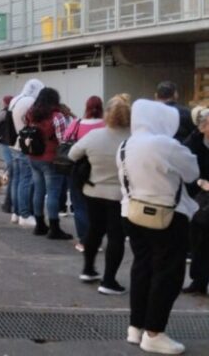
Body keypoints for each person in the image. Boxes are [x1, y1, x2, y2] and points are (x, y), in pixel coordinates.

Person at [119, 99, 199, 354]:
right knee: (167, 274)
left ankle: (136, 327)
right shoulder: (166, 144)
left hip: (131, 212)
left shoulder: (125, 144)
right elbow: (192, 172)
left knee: (141, 268)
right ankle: (154, 333)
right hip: (167, 216)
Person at [69, 95, 131, 295]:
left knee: (94, 230)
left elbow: (72, 155)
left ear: (107, 114)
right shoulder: (133, 139)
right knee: (116, 237)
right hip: (120, 195)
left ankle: (88, 269)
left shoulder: (95, 136)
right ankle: (109, 280)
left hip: (93, 189)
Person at [26, 87, 72, 239]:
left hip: (33, 157)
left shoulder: (31, 113)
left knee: (39, 190)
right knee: (53, 193)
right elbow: (63, 139)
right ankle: (54, 228)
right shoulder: (57, 116)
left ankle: (40, 224)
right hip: (50, 159)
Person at [182, 107, 209, 296]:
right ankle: (199, 281)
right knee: (201, 241)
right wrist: (200, 182)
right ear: (203, 128)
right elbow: (184, 169)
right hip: (201, 200)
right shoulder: (193, 144)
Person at [65, 96, 106, 252]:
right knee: (97, 207)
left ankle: (84, 240)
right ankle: (96, 240)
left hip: (78, 169)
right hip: (99, 169)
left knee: (79, 205)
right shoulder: (106, 125)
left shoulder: (77, 123)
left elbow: (65, 140)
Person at [9, 80, 44, 228]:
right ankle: (24, 214)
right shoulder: (31, 102)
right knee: (26, 180)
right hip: (25, 145)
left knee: (16, 180)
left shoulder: (15, 99)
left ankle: (16, 213)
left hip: (13, 144)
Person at [0, 96, 14, 217]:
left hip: (5, 141)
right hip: (13, 142)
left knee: (9, 163)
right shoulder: (16, 111)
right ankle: (4, 179)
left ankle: (2, 180)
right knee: (10, 164)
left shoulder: (4, 113)